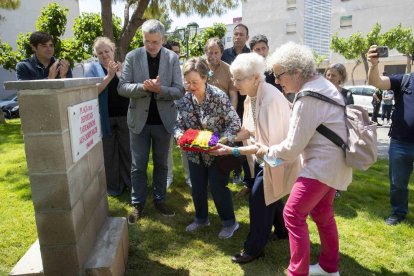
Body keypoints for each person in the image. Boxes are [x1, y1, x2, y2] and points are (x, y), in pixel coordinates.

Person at [267, 42, 352, 275]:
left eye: (278, 74)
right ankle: (329, 267)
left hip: (322, 166)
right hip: (336, 164)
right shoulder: (322, 84)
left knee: (292, 214)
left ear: (296, 71)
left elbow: (292, 148)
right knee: (323, 214)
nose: (276, 80)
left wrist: (268, 152)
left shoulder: (308, 96)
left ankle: (298, 272)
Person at [211, 53, 300, 263]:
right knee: (271, 195)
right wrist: (230, 139)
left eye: (239, 79)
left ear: (256, 78)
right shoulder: (251, 95)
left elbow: (267, 149)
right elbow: (249, 130)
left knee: (259, 198)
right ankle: (281, 231)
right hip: (266, 158)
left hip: (275, 158)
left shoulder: (269, 100)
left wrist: (231, 151)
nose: (234, 83)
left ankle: (253, 249)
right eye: (233, 78)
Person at [118, 20, 185, 224]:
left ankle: (160, 200)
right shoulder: (132, 56)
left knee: (161, 164)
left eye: (155, 42)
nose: (151, 46)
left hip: (163, 121)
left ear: (163, 39)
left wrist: (160, 90)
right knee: (138, 165)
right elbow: (122, 87)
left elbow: (179, 90)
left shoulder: (172, 58)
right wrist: (144, 87)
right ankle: (138, 204)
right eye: (147, 41)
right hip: (139, 121)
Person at [174, 57, 241, 239]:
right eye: (187, 82)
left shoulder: (218, 96)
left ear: (205, 78)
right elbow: (178, 124)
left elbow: (234, 123)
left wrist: (222, 141)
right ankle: (201, 219)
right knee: (197, 187)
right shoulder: (185, 100)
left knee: (218, 187)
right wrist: (180, 135)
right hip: (195, 154)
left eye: (195, 82)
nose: (191, 86)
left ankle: (230, 223)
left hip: (217, 152)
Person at [368, 45, 414, 226]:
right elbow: (376, 82)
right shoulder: (404, 80)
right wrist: (373, 64)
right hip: (401, 143)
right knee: (398, 183)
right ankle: (398, 212)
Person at [84, 37, 131, 196]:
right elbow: (93, 91)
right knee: (109, 154)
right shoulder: (92, 69)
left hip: (126, 116)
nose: (104, 55)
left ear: (113, 51)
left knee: (128, 151)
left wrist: (118, 74)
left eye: (107, 51)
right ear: (96, 55)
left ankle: (130, 184)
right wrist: (109, 76)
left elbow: (130, 90)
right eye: (100, 53)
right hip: (105, 118)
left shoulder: (124, 67)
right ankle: (114, 187)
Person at [221, 23, 251, 185]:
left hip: (245, 103)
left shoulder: (250, 56)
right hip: (228, 105)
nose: (238, 37)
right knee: (229, 137)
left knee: (244, 139)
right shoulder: (225, 55)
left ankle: (246, 175)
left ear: (247, 37)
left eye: (241, 34)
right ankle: (231, 171)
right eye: (235, 34)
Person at [163, 40, 191, 188]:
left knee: (185, 146)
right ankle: (168, 177)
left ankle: (189, 177)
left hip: (184, 113)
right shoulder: (161, 70)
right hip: (167, 112)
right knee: (167, 147)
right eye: (174, 52)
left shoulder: (183, 70)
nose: (177, 55)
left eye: (178, 52)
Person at [204, 37, 238, 108]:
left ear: (221, 53)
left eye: (216, 53)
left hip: (222, 112)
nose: (213, 56)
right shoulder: (198, 67)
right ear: (206, 52)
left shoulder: (229, 69)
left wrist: (231, 115)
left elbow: (233, 95)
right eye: (210, 53)